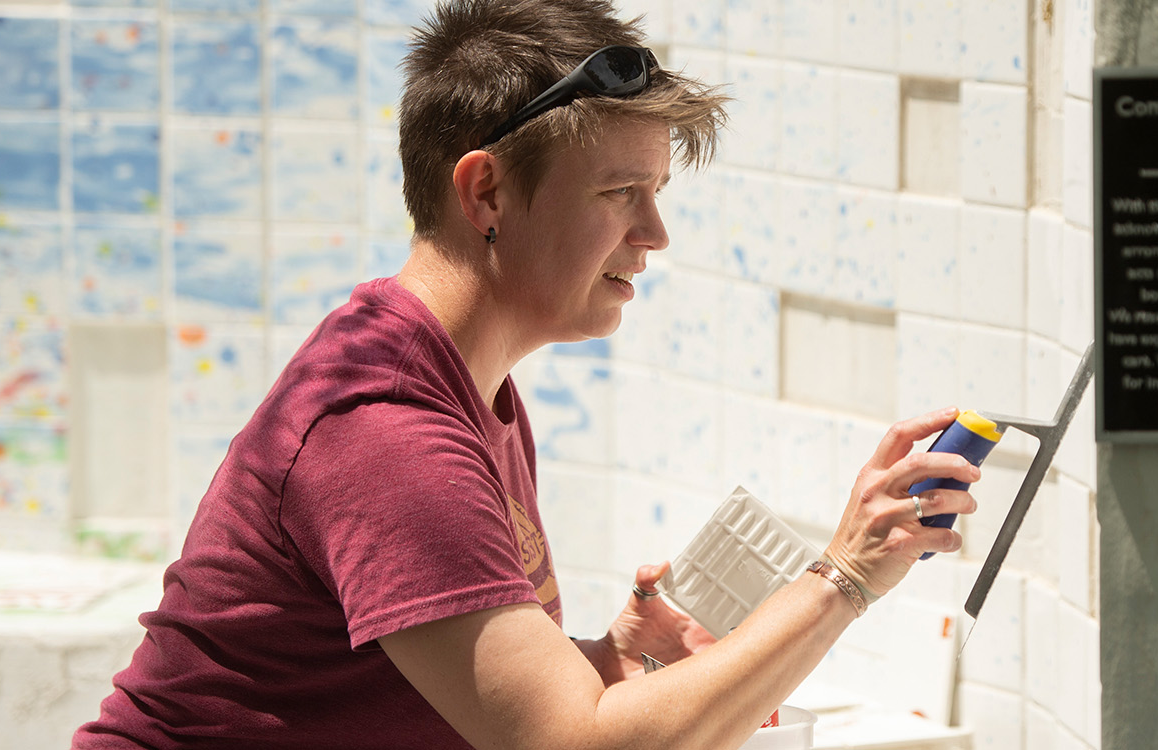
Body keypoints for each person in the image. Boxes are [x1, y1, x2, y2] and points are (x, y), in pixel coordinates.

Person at [72, 1, 980, 747]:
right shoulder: (384, 431)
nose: (655, 234)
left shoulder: (466, 385)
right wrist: (845, 574)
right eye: (620, 192)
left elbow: (465, 699)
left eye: (656, 194)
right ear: (486, 194)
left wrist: (599, 659)